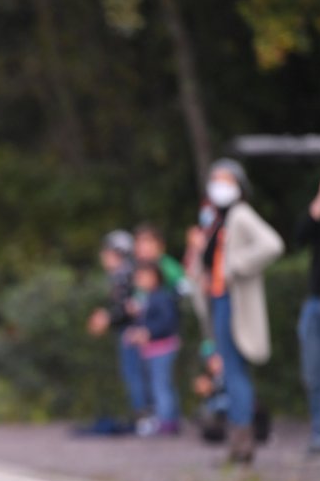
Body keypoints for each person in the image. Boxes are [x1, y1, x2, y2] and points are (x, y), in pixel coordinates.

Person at [184, 158, 284, 464]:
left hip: (233, 302)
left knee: (235, 371)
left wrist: (235, 267)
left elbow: (272, 244)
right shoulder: (214, 220)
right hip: (217, 300)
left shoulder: (240, 215)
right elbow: (201, 267)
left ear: (239, 185)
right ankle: (238, 441)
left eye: (226, 180)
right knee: (226, 370)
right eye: (215, 179)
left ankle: (243, 441)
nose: (219, 185)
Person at [87, 229, 149, 426]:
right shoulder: (123, 274)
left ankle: (144, 417)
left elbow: (128, 308)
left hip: (132, 333)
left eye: (107, 252)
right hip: (130, 331)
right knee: (134, 375)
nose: (103, 256)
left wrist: (107, 318)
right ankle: (142, 415)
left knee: (135, 375)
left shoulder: (125, 275)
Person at [124, 262, 181, 436]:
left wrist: (148, 332)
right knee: (155, 385)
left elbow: (166, 322)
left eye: (143, 276)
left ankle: (167, 421)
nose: (139, 280)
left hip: (162, 349)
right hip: (151, 350)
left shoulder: (161, 297)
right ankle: (162, 418)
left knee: (161, 385)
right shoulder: (146, 298)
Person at [293, 176, 320, 456]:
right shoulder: (319, 216)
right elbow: (298, 239)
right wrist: (318, 204)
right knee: (313, 373)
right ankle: (319, 434)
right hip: (316, 302)